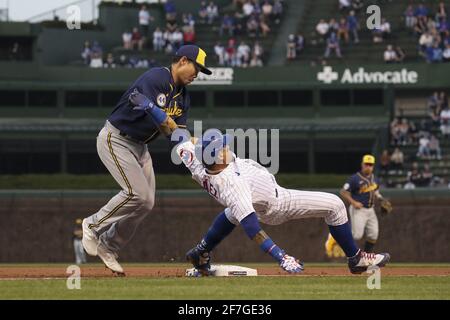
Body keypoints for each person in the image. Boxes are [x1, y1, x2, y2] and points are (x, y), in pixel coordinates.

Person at [127, 98, 391, 275]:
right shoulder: (233, 183)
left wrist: (150, 106)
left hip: (249, 198)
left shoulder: (197, 160)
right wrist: (281, 256)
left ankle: (202, 251)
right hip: (277, 204)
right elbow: (252, 227)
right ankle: (356, 259)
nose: (228, 146)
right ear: (218, 156)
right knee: (334, 205)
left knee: (232, 213)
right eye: (224, 145)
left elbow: (174, 134)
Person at [81, 45, 212, 276]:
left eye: (200, 71)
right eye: (196, 68)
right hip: (116, 138)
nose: (197, 74)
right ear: (183, 60)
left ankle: (109, 246)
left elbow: (176, 135)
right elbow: (146, 107)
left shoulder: (183, 98)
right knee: (137, 193)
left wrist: (196, 147)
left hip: (140, 147)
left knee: (147, 202)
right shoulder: (157, 77)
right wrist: (166, 122)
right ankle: (91, 225)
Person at [339, 155, 387, 253]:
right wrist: (353, 202)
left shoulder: (375, 179)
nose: (368, 166)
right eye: (366, 164)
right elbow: (343, 191)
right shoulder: (354, 178)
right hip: (358, 209)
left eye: (370, 165)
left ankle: (366, 257)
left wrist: (381, 199)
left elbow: (376, 191)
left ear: (373, 166)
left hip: (371, 210)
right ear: (362, 164)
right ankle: (337, 236)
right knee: (357, 235)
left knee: (373, 235)